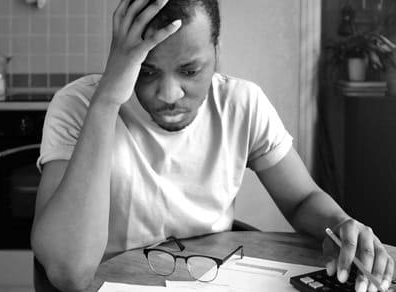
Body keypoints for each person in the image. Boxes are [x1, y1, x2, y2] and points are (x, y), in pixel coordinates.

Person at [31, 0, 394, 291]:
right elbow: (69, 274)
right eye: (146, 70)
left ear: (216, 52)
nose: (169, 95)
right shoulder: (79, 106)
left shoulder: (241, 103)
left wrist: (342, 223)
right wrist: (107, 101)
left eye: (190, 71)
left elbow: (301, 200)